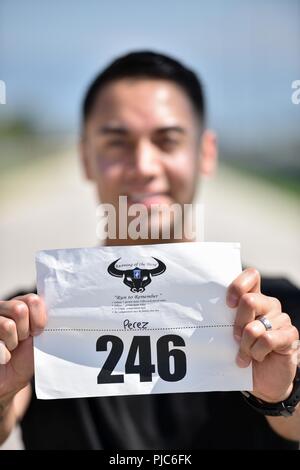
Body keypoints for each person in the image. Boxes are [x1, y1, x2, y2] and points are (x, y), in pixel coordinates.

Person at [0, 51, 299, 450]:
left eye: (167, 140)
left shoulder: (278, 311)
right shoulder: (31, 320)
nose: (143, 165)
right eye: (117, 142)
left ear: (205, 153)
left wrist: (283, 396)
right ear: (86, 157)